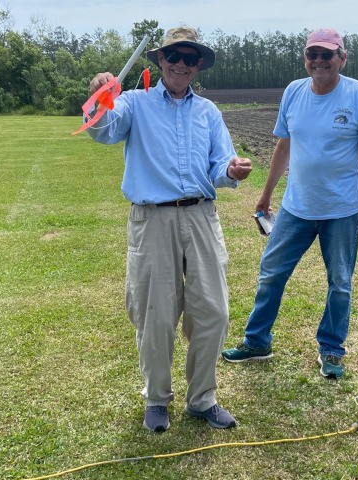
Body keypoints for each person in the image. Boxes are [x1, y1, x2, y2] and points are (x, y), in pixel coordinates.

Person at [85, 26, 252, 432]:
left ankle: (202, 399)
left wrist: (231, 170)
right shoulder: (134, 103)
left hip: (201, 217)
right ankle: (157, 398)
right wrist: (99, 95)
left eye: (189, 58)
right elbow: (102, 130)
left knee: (213, 312)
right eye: (173, 55)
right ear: (160, 59)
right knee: (155, 315)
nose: (181, 64)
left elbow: (220, 163)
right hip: (152, 220)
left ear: (198, 65)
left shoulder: (208, 112)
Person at [222, 28, 358, 379]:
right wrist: (266, 194)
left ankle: (332, 349)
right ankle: (257, 342)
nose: (319, 61)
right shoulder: (294, 92)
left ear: (342, 58)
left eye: (327, 54)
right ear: (305, 58)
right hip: (296, 207)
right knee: (271, 273)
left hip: (342, 209)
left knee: (340, 282)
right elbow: (284, 146)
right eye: (312, 54)